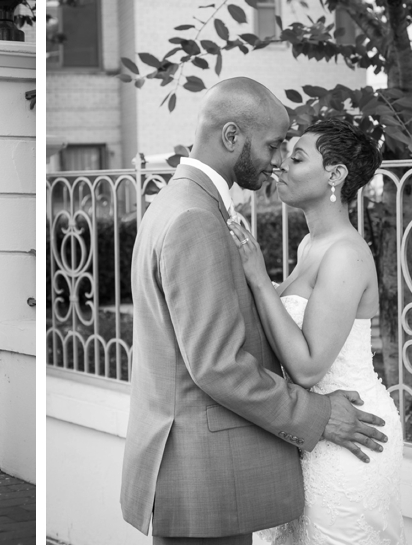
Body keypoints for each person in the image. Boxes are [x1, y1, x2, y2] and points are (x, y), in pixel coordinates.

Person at [120, 77, 388, 545]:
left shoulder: (178, 203)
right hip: (202, 471)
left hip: (229, 462)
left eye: (292, 152)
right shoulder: (195, 219)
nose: (276, 161)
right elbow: (218, 365)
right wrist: (318, 415)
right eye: (271, 146)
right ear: (231, 137)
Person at [228, 118, 404, 544]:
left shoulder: (345, 253)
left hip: (353, 434)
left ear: (336, 174)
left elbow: (307, 367)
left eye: (297, 156)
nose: (280, 165)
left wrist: (257, 277)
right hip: (313, 429)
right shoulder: (311, 245)